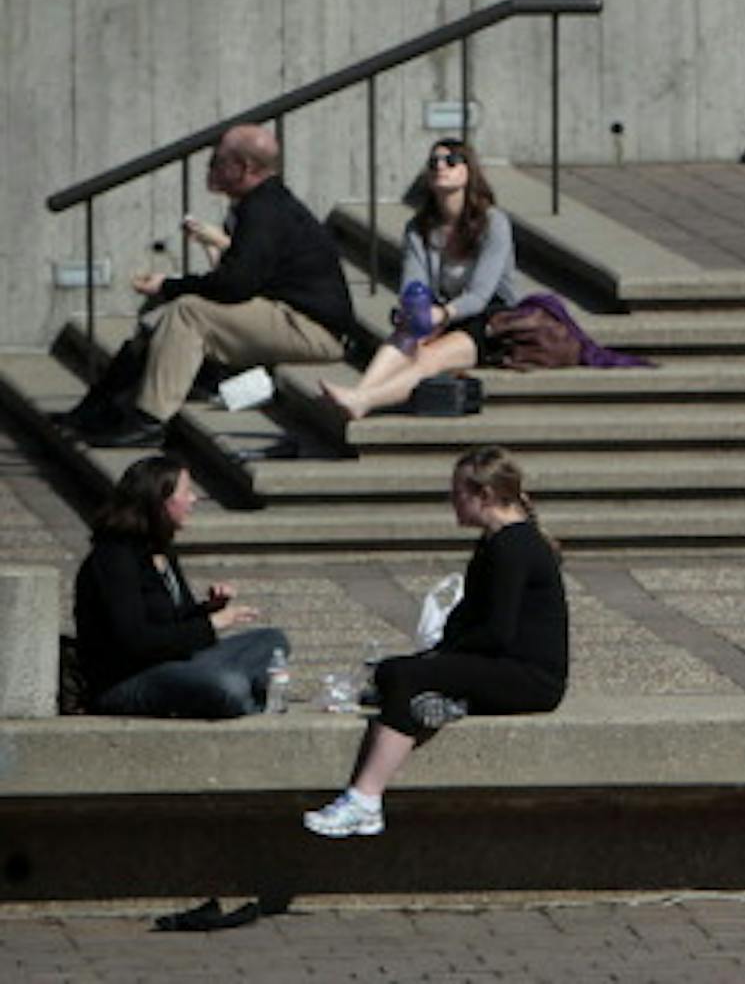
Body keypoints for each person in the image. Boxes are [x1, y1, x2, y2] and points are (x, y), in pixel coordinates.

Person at [304, 446, 568, 838]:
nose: (451, 503)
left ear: (486, 496)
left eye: (458, 494)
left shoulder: (514, 547)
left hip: (530, 678)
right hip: (508, 666)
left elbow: (497, 632)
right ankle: (445, 704)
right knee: (395, 673)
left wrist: (440, 660)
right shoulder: (497, 542)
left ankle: (365, 799)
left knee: (408, 677)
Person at [61, 125, 355, 448]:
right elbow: (238, 278)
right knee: (158, 320)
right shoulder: (262, 204)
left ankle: (150, 420)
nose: (209, 168)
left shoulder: (265, 210)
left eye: (216, 161)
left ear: (243, 167)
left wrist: (169, 285)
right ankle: (98, 408)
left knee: (188, 312)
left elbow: (234, 285)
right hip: (288, 316)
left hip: (312, 329)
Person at [72, 454, 289, 718]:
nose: (193, 500)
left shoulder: (161, 550)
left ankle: (238, 692)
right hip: (127, 680)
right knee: (226, 685)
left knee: (272, 641)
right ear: (158, 500)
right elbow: (135, 642)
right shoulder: (114, 558)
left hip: (176, 663)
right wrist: (212, 624)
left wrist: (208, 609)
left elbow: (175, 622)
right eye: (186, 492)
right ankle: (244, 697)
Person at [320, 139, 519, 420]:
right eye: (433, 162)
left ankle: (364, 400)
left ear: (468, 172)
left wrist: (443, 315)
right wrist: (415, 312)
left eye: (451, 161)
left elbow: (481, 294)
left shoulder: (493, 223)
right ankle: (361, 390)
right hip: (442, 310)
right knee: (406, 334)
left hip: (488, 318)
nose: (441, 166)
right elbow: (415, 284)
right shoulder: (419, 227)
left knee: (429, 357)